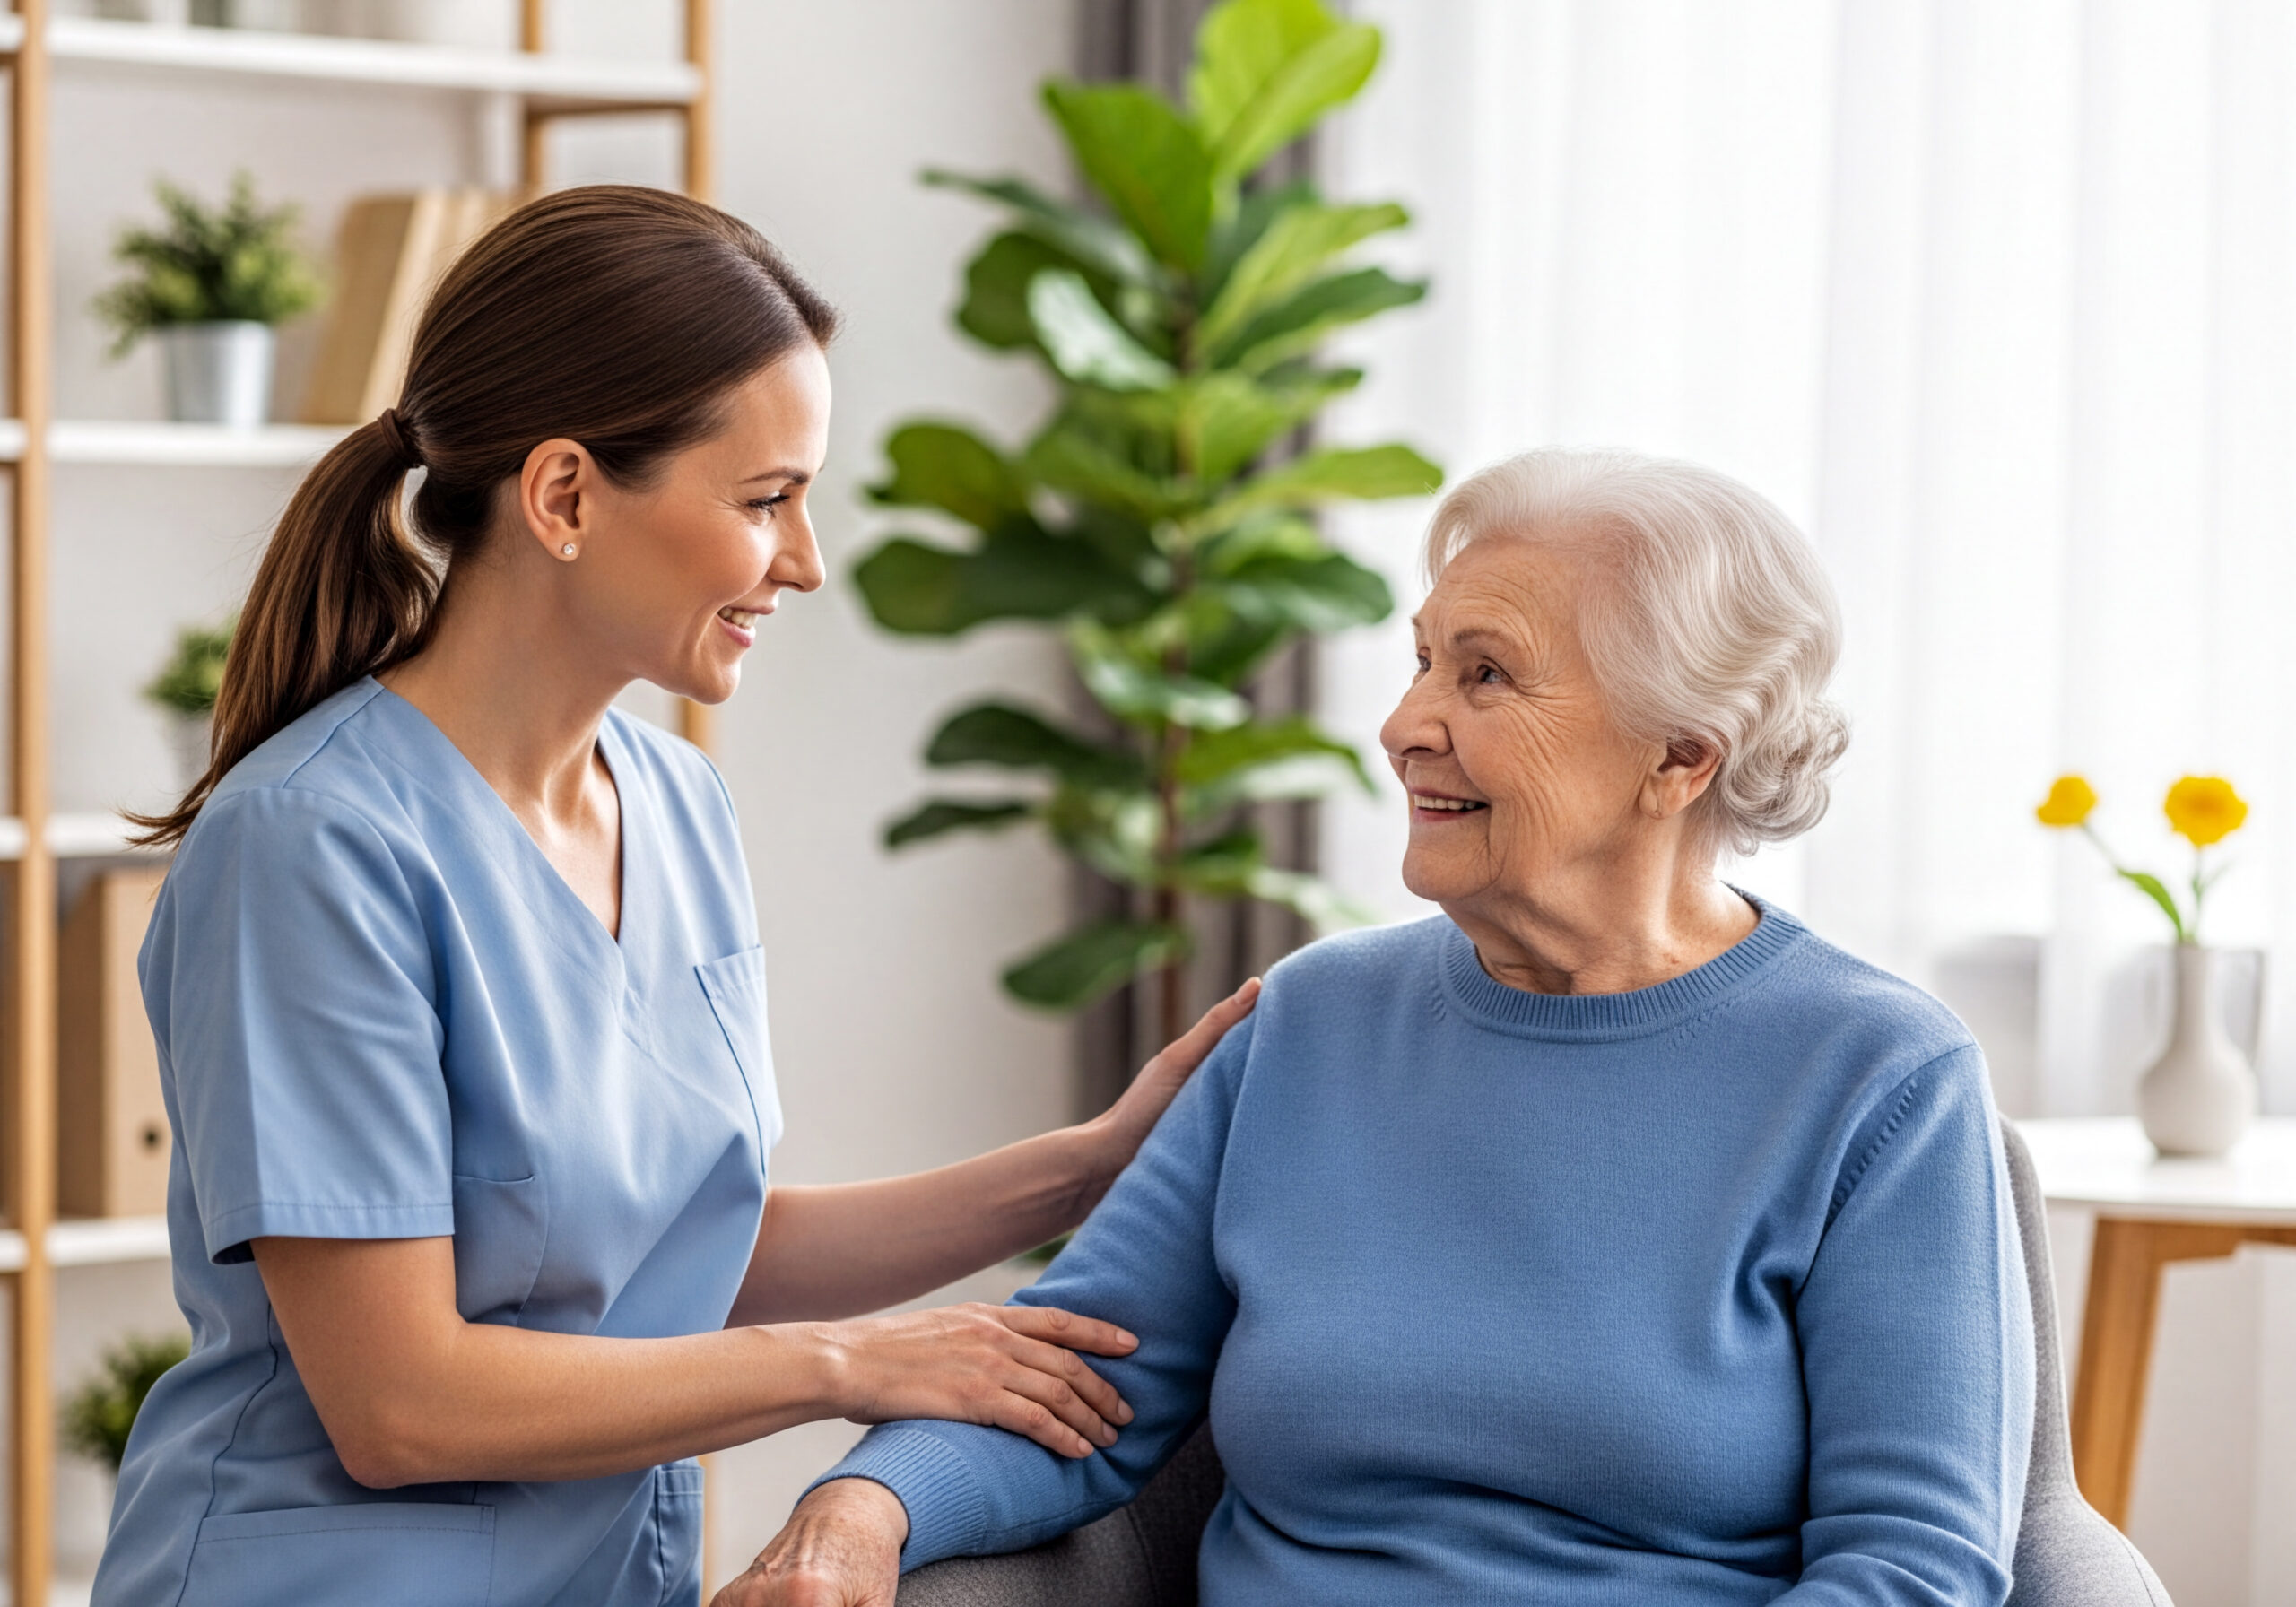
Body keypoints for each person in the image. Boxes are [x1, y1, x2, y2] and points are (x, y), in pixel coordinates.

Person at [92, 185, 1257, 1607]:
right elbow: (400, 1403)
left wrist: (1086, 1164)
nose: (805, 561)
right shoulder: (312, 845)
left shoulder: (675, 801)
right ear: (567, 493)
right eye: (767, 500)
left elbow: (689, 1239)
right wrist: (850, 1364)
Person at [729, 447, 2036, 1606]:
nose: (1406, 727)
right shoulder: (1313, 1022)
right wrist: (859, 1511)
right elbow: (1070, 1382)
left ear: (1680, 758)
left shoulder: (1875, 1078)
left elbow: (1912, 1560)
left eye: (1486, 676)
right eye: (1421, 661)